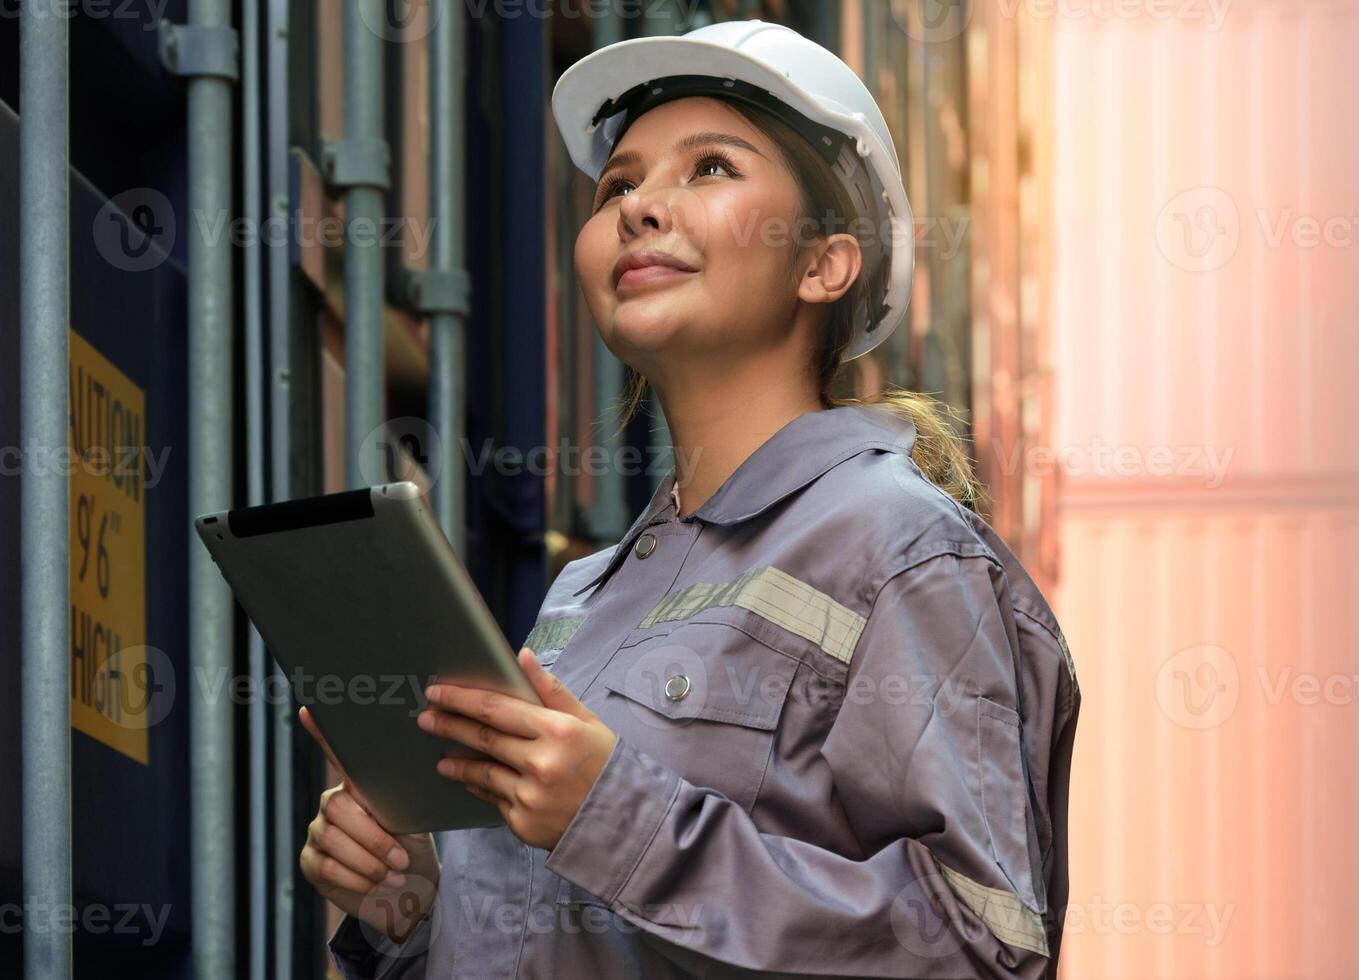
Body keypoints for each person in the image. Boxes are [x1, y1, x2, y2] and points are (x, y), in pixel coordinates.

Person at [299, 19, 1080, 979]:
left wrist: (616, 818)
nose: (639, 208)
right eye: (618, 186)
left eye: (709, 168)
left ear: (823, 264)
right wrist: (414, 909)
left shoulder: (899, 546)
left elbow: (983, 950)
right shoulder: (583, 599)